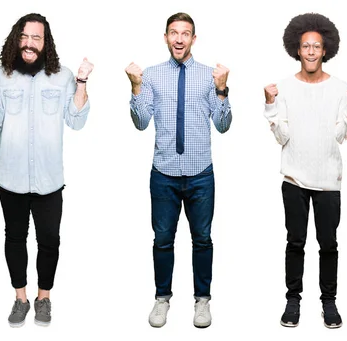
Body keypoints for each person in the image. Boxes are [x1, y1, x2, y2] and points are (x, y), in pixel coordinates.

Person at [0, 13, 93, 328]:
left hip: (49, 179)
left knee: (49, 240)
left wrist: (81, 81)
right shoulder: (0, 75)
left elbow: (77, 121)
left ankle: (44, 299)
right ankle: (20, 299)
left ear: (46, 43)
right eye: (24, 36)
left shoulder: (64, 76)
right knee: (15, 237)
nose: (29, 43)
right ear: (16, 38)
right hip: (9, 177)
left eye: (36, 38)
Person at [125, 12, 232, 329]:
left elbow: (224, 126)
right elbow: (141, 122)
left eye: (185, 33)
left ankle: (202, 301)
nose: (179, 38)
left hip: (201, 174)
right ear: (166, 38)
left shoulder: (211, 76)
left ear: (194, 39)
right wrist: (135, 87)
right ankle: (162, 299)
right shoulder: (152, 75)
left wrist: (224, 90)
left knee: (202, 239)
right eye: (174, 32)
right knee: (162, 240)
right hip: (164, 174)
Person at [263, 13, 347, 329]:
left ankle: (329, 303)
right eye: (305, 46)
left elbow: (341, 136)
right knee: (295, 242)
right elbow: (282, 137)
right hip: (294, 178)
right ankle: (293, 301)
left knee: (328, 244)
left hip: (329, 180)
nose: (310, 52)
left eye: (316, 46)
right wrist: (270, 106)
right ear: (297, 49)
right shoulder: (282, 87)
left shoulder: (341, 88)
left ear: (325, 50)